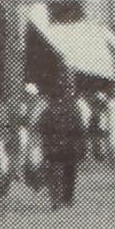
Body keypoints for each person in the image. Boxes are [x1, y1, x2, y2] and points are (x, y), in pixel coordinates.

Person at [40, 78, 86, 209]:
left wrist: (46, 143)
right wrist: (81, 146)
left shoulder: (49, 109)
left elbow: (42, 127)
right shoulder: (73, 108)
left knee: (54, 172)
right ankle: (67, 198)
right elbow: (79, 129)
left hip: (54, 146)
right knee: (69, 171)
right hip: (69, 146)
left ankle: (56, 198)